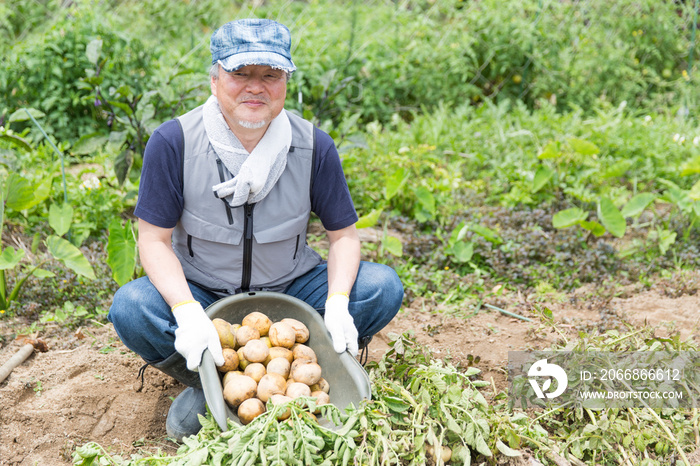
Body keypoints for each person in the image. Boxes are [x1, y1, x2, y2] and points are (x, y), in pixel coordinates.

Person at [108, 18, 403, 441]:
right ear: (214, 79)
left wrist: (337, 302)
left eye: (270, 75)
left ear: (285, 82)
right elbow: (153, 240)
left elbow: (344, 237)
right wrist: (187, 312)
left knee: (381, 286)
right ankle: (207, 380)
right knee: (132, 307)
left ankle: (308, 364)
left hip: (292, 291)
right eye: (240, 73)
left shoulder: (313, 145)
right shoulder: (174, 142)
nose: (255, 86)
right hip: (204, 291)